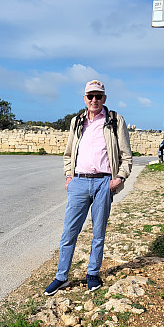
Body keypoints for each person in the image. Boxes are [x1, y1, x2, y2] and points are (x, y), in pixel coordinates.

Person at [44, 80, 132, 296]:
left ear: (105, 98)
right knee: (69, 232)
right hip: (79, 182)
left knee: (98, 233)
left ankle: (92, 274)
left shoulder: (114, 120)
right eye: (90, 96)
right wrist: (69, 177)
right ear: (84, 98)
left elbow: (126, 155)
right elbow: (68, 153)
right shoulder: (77, 121)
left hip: (104, 182)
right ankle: (61, 276)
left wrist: (119, 178)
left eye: (98, 96)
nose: (94, 100)